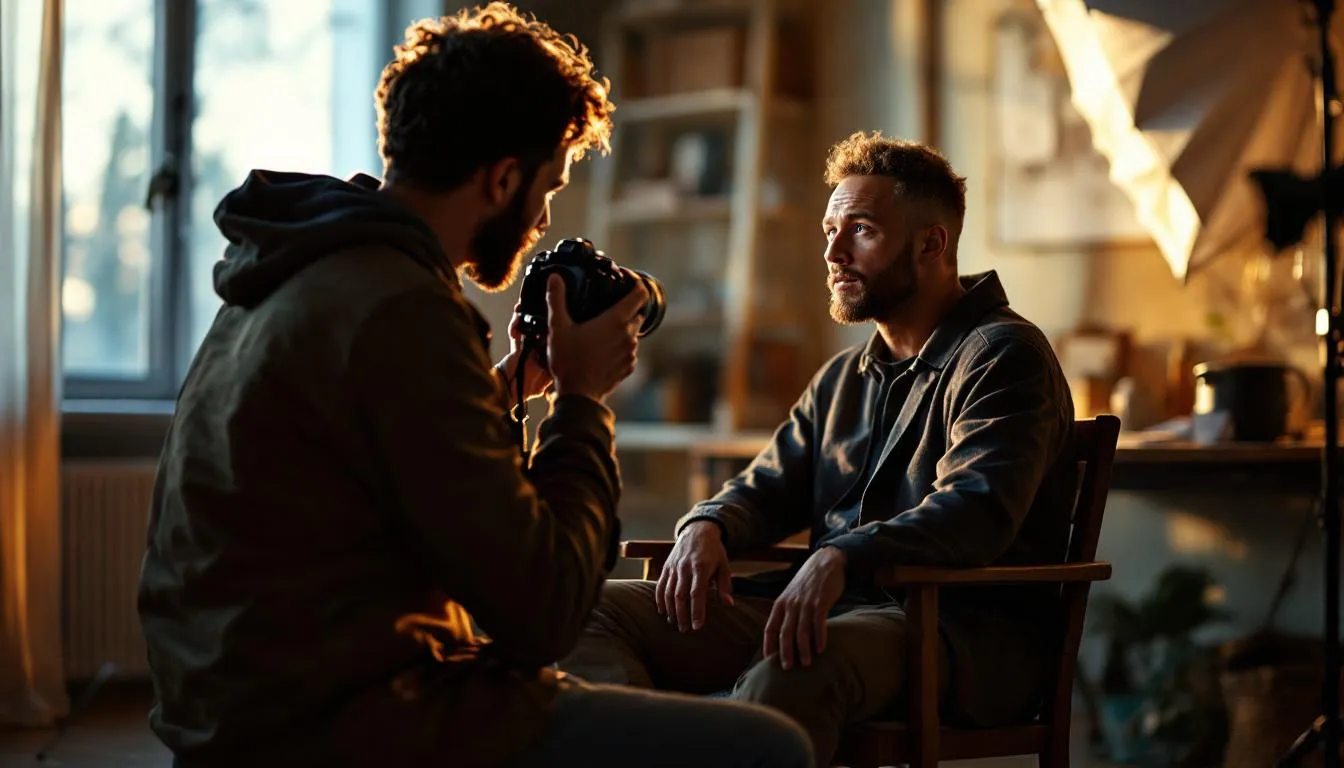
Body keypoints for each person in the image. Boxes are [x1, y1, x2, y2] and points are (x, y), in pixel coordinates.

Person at [136, 4, 813, 767]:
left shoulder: (292, 272)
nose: (541, 219)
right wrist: (581, 401)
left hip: (229, 709)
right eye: (548, 189)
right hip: (348, 722)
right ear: (501, 179)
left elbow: (354, 458)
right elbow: (546, 609)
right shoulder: (406, 309)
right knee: (768, 749)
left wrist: (503, 389)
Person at [559, 131, 1079, 766]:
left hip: (953, 627)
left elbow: (976, 509)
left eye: (860, 230)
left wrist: (841, 557)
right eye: (830, 230)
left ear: (931, 243)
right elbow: (766, 486)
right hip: (826, 609)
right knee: (582, 611)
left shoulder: (1004, 356)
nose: (833, 252)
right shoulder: (840, 379)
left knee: (794, 664)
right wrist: (707, 524)